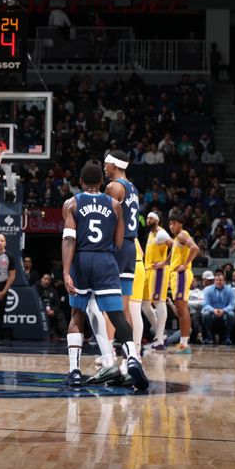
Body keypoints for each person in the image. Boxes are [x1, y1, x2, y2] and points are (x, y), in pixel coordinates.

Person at [62, 162, 147, 390]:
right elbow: (119, 241)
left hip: (81, 259)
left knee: (77, 314)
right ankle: (131, 358)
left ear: (80, 182)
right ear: (102, 182)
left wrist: (66, 271)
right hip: (106, 260)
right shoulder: (114, 204)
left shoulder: (71, 203)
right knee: (117, 314)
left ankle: (75, 371)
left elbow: (69, 239)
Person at [102, 151, 145, 353]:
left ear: (113, 165)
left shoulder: (114, 187)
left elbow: (104, 221)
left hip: (117, 246)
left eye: (106, 164)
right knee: (124, 306)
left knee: (109, 303)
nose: (104, 168)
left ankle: (108, 351)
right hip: (131, 247)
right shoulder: (133, 188)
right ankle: (131, 352)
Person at [165, 212, 199, 353]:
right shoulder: (177, 238)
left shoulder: (182, 235)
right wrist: (163, 263)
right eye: (170, 223)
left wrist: (185, 265)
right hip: (176, 274)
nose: (171, 226)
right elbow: (172, 255)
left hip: (181, 274)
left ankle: (185, 344)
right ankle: (183, 343)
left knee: (182, 308)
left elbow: (195, 248)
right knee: (180, 309)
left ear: (180, 223)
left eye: (174, 223)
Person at [143, 212, 171, 349]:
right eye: (147, 218)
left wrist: (164, 263)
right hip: (149, 272)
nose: (148, 220)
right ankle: (161, 334)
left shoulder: (161, 234)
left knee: (159, 303)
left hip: (158, 272)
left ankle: (159, 340)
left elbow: (175, 246)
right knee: (145, 305)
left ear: (157, 220)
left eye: (151, 218)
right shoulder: (151, 234)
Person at [201, 270, 235, 345]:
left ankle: (226, 338)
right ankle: (209, 338)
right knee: (206, 314)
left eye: (220, 280)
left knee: (232, 315)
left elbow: (232, 305)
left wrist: (223, 310)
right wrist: (214, 310)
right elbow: (206, 304)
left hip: (225, 312)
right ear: (214, 281)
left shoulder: (230, 290)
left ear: (224, 281)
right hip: (212, 312)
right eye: (217, 280)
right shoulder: (208, 290)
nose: (218, 282)